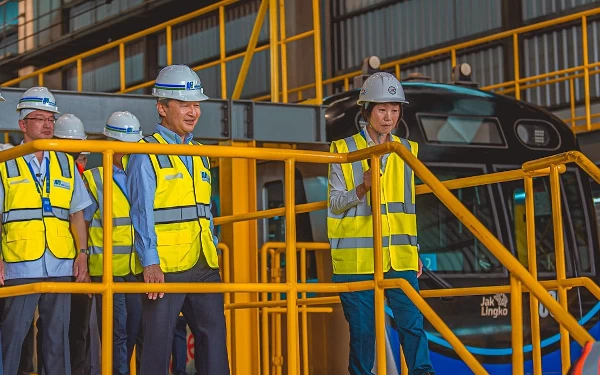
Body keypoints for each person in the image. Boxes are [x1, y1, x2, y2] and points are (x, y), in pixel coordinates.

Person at [327, 72, 434, 375]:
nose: (389, 117)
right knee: (363, 335)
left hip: (398, 256)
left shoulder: (407, 151)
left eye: (395, 110)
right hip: (357, 261)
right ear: (367, 111)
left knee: (412, 326)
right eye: (382, 109)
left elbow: (409, 208)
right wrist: (361, 188)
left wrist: (414, 249)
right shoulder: (344, 150)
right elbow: (334, 204)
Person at [126, 64, 229, 374]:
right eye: (184, 104)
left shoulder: (200, 153)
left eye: (196, 104)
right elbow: (141, 211)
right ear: (162, 107)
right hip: (165, 268)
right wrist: (150, 262)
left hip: (203, 263)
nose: (193, 112)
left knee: (214, 345)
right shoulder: (146, 152)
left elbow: (204, 211)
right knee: (157, 350)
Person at [0, 86, 91, 375]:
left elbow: (77, 214)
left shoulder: (66, 162)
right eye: (39, 118)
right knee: (12, 339)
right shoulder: (6, 161)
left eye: (51, 118)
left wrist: (82, 255)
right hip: (19, 264)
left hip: (60, 264)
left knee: (56, 341)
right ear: (22, 125)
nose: (48, 124)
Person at [83, 110, 144, 375]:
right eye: (124, 146)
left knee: (139, 333)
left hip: (141, 270)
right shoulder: (93, 179)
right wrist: (83, 261)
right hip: (109, 272)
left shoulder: (144, 175)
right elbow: (81, 225)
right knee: (116, 335)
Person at [53, 111, 93, 375]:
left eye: (79, 157)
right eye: (70, 156)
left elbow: (83, 220)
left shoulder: (86, 182)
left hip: (78, 265)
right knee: (52, 328)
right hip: (49, 262)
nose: (75, 163)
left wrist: (84, 260)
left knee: (77, 328)